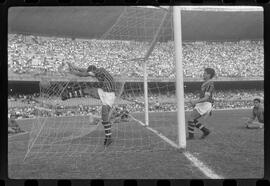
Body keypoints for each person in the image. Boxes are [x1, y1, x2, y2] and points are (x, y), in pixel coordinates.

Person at [65, 62, 116, 147]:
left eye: (91, 74)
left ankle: (109, 137)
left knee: (104, 118)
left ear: (92, 71)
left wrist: (72, 72)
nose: (92, 77)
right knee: (88, 90)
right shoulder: (99, 71)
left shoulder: (99, 71)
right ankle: (68, 95)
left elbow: (83, 74)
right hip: (104, 91)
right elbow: (85, 71)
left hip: (109, 95)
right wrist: (75, 67)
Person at [187, 68, 215, 139]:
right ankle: (205, 131)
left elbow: (206, 98)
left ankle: (191, 137)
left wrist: (195, 102)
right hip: (203, 103)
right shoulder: (205, 83)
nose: (203, 74)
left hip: (205, 103)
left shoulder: (210, 83)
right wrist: (195, 102)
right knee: (192, 119)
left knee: (191, 118)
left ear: (209, 75)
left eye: (205, 73)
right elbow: (204, 97)